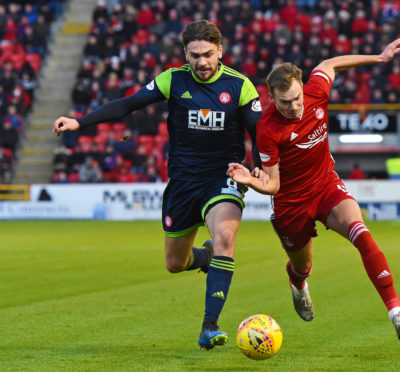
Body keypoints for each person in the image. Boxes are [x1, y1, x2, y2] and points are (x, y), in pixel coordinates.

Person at [52, 20, 265, 349]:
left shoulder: (240, 87)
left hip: (223, 178)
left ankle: (210, 325)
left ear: (220, 51)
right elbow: (128, 104)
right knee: (174, 263)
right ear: (185, 53)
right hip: (182, 183)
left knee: (224, 236)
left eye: (208, 54)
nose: (202, 62)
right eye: (194, 55)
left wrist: (261, 169)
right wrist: (79, 121)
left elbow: (259, 133)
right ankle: (205, 260)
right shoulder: (173, 79)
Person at [227, 38, 400, 340]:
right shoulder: (268, 130)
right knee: (303, 267)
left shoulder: (315, 91)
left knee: (361, 233)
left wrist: (379, 58)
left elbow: (329, 64)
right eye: (284, 102)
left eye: (297, 98)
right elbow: (273, 184)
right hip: (290, 203)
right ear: (272, 98)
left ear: (303, 86)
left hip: (326, 185)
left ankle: (396, 313)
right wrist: (251, 180)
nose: (294, 106)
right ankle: (298, 282)